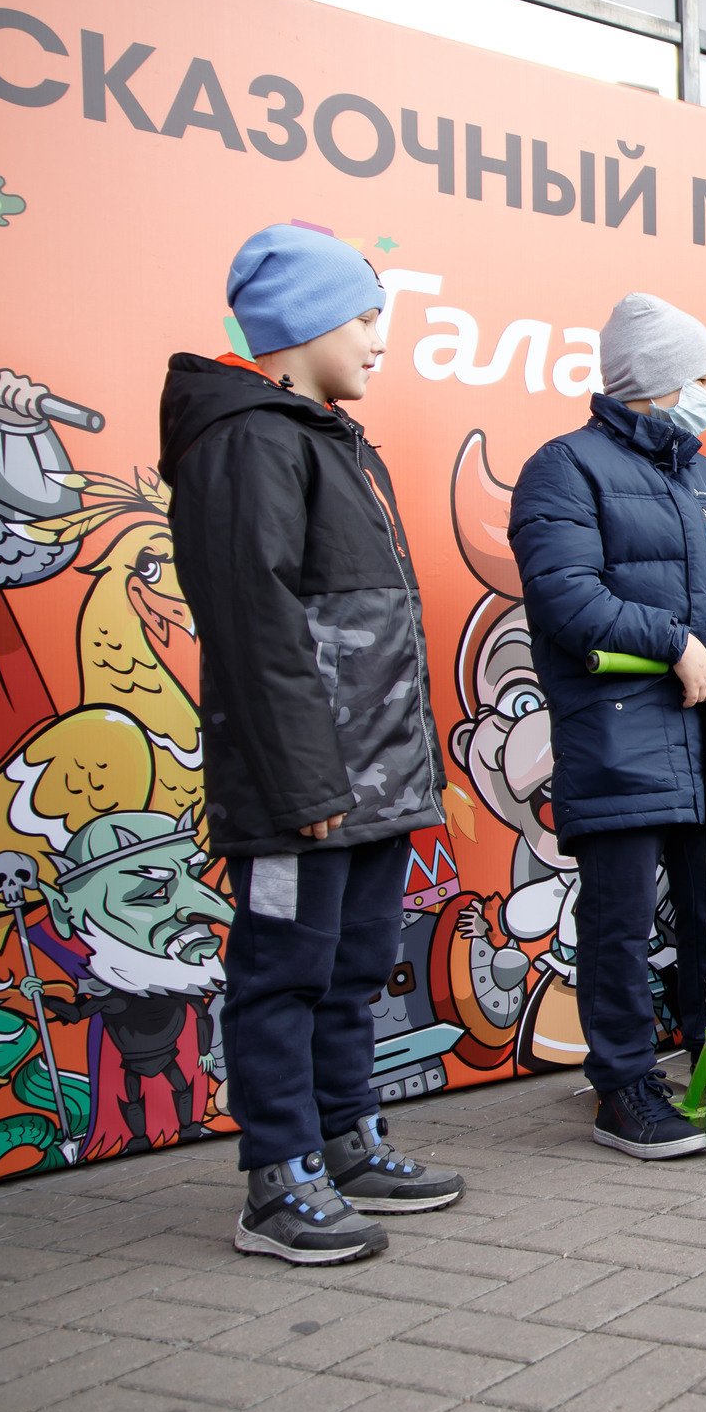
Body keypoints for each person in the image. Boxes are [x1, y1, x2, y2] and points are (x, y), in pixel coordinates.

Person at [163, 225, 463, 1264]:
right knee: (284, 972)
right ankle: (276, 1180)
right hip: (304, 788)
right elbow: (254, 622)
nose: (384, 337)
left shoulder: (329, 436)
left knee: (355, 966)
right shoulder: (246, 440)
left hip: (372, 780)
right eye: (368, 316)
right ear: (300, 325)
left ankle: (346, 1138)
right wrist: (301, 780)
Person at [510, 294, 706, 1160]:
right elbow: (566, 595)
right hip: (621, 737)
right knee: (621, 922)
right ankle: (623, 1084)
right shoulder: (564, 468)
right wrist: (671, 642)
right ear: (661, 382)